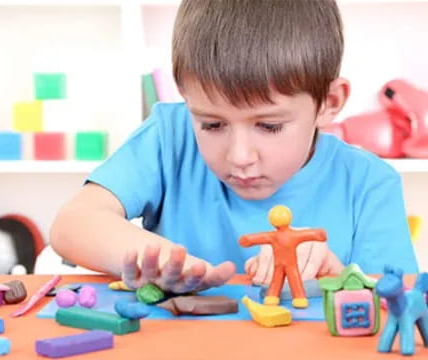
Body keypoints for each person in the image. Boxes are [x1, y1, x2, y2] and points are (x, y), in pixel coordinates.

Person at [50, 0, 419, 294]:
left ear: (329, 103)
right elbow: (73, 225)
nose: (240, 157)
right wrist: (162, 261)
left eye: (269, 126)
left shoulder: (369, 183)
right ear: (186, 97)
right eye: (211, 124)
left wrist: (337, 276)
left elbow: (398, 304)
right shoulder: (170, 137)